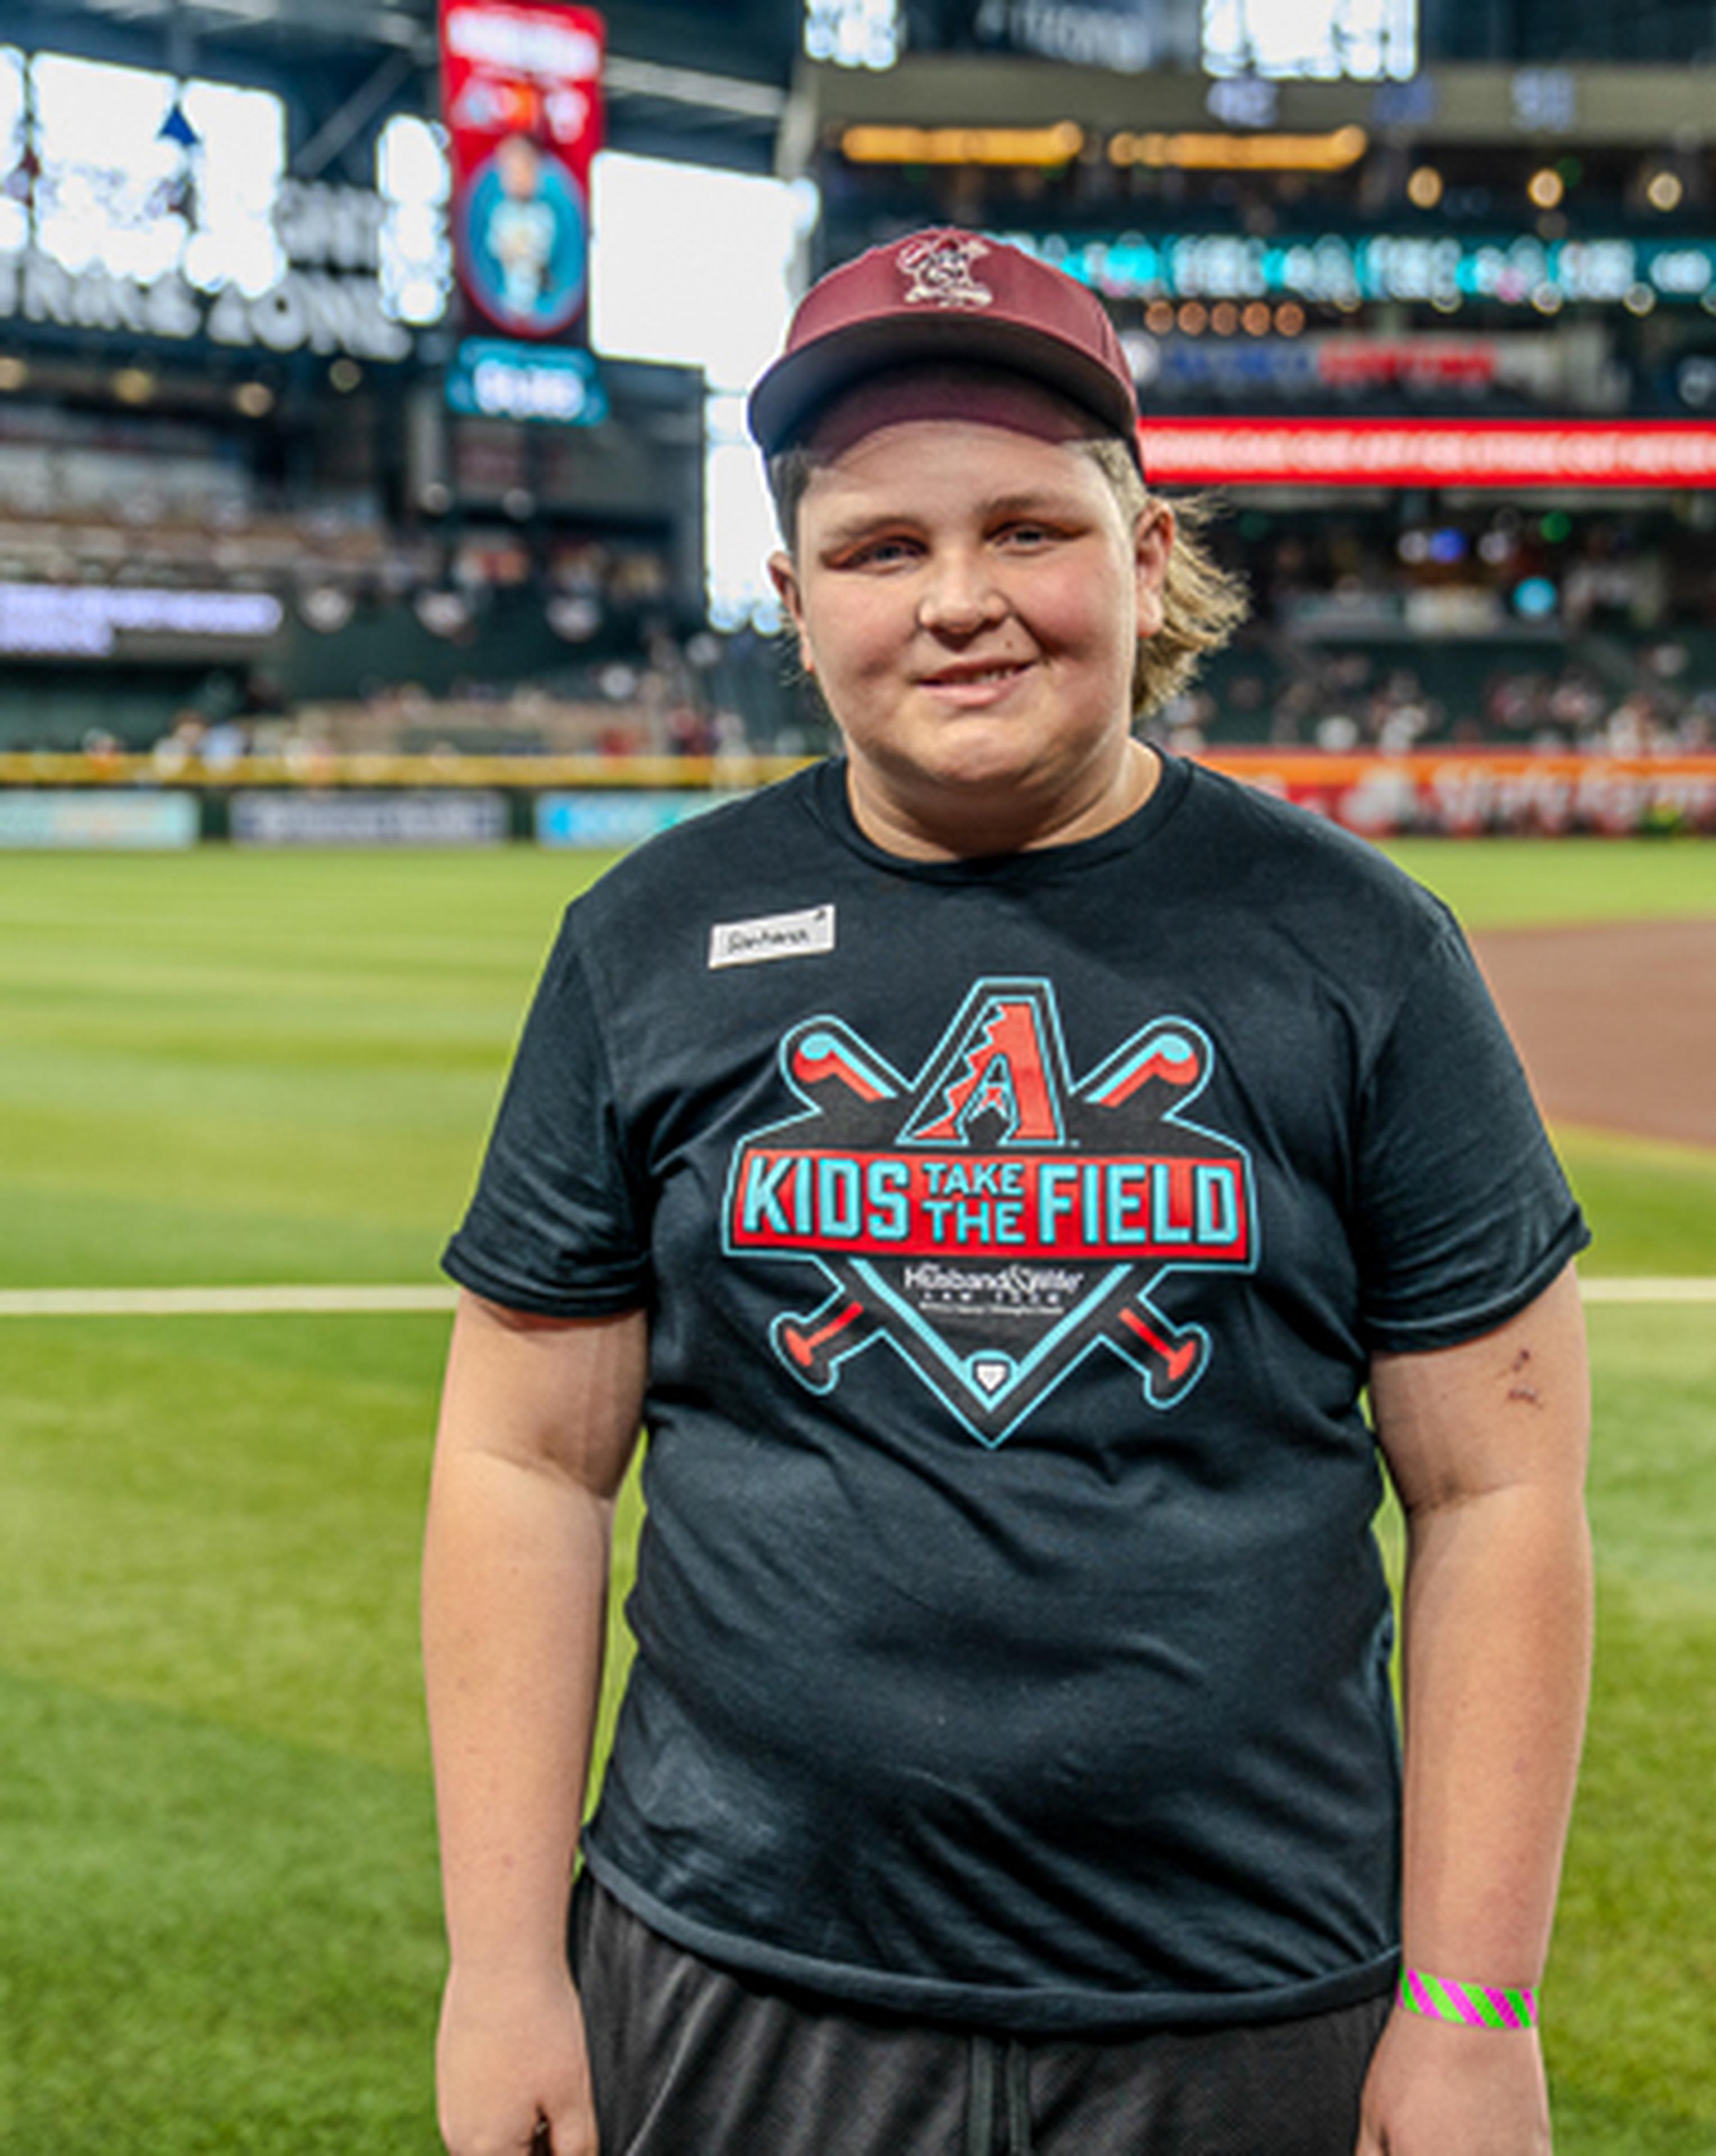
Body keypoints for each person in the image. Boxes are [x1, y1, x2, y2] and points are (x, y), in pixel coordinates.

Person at [423, 227, 1593, 2156]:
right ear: (796, 604)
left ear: (1145, 560)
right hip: (732, 1976)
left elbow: (1501, 1491)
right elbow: (523, 1464)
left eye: (1028, 533)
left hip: (1244, 1992)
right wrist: (501, 1970)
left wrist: (1472, 2016)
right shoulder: (646, 943)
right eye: (886, 552)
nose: (960, 603)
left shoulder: (1364, 952)